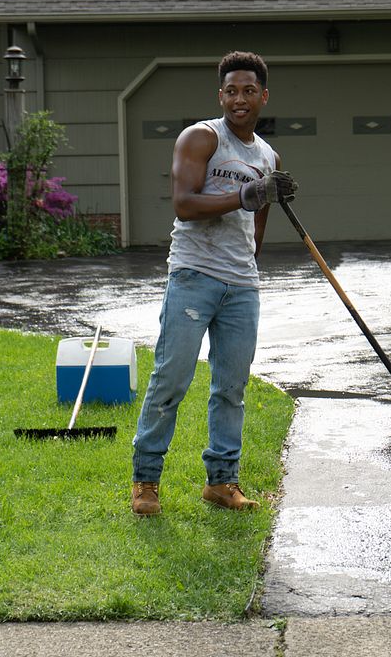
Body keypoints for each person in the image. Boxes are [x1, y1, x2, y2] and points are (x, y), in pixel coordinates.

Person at [130, 51, 297, 516]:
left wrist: (260, 208)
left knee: (231, 386)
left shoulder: (268, 155)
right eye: (230, 91)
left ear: (263, 96)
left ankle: (221, 482)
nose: (238, 99)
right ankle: (146, 482)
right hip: (193, 276)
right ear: (219, 95)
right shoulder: (201, 137)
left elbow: (257, 226)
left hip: (242, 285)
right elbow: (184, 204)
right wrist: (242, 194)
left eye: (248, 91)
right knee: (172, 377)